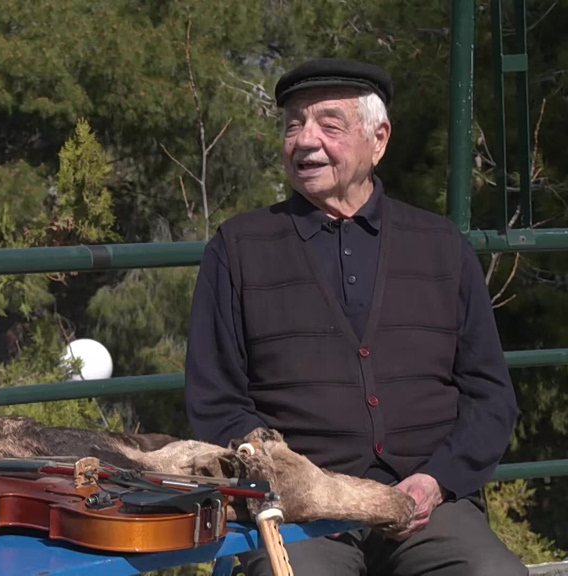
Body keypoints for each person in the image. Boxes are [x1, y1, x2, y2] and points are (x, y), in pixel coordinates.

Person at [184, 58, 526, 575]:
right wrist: (301, 484)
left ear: (379, 138)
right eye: (293, 124)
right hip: (302, 514)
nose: (305, 139)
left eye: (329, 124)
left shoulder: (440, 246)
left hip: (429, 507)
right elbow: (216, 404)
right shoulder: (238, 248)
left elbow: (490, 394)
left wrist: (437, 481)